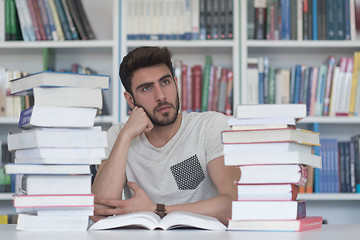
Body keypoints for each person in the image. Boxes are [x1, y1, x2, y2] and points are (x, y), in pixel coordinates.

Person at [91, 46, 240, 225]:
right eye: (146, 88)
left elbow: (234, 204)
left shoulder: (209, 126)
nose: (161, 96)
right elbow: (100, 211)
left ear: (176, 84)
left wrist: (157, 210)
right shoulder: (118, 135)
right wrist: (126, 136)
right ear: (130, 100)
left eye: (165, 82)